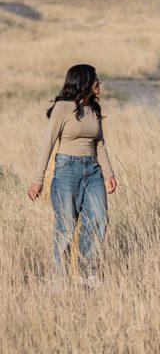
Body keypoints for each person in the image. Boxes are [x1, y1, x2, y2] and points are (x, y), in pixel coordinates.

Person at [27, 64, 117, 282]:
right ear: (83, 82)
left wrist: (108, 173)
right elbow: (47, 144)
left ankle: (89, 274)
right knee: (66, 225)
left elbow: (100, 144)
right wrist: (37, 179)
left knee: (98, 218)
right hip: (67, 170)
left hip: (93, 170)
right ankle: (59, 277)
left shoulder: (94, 109)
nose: (99, 82)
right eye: (95, 79)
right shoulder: (62, 108)